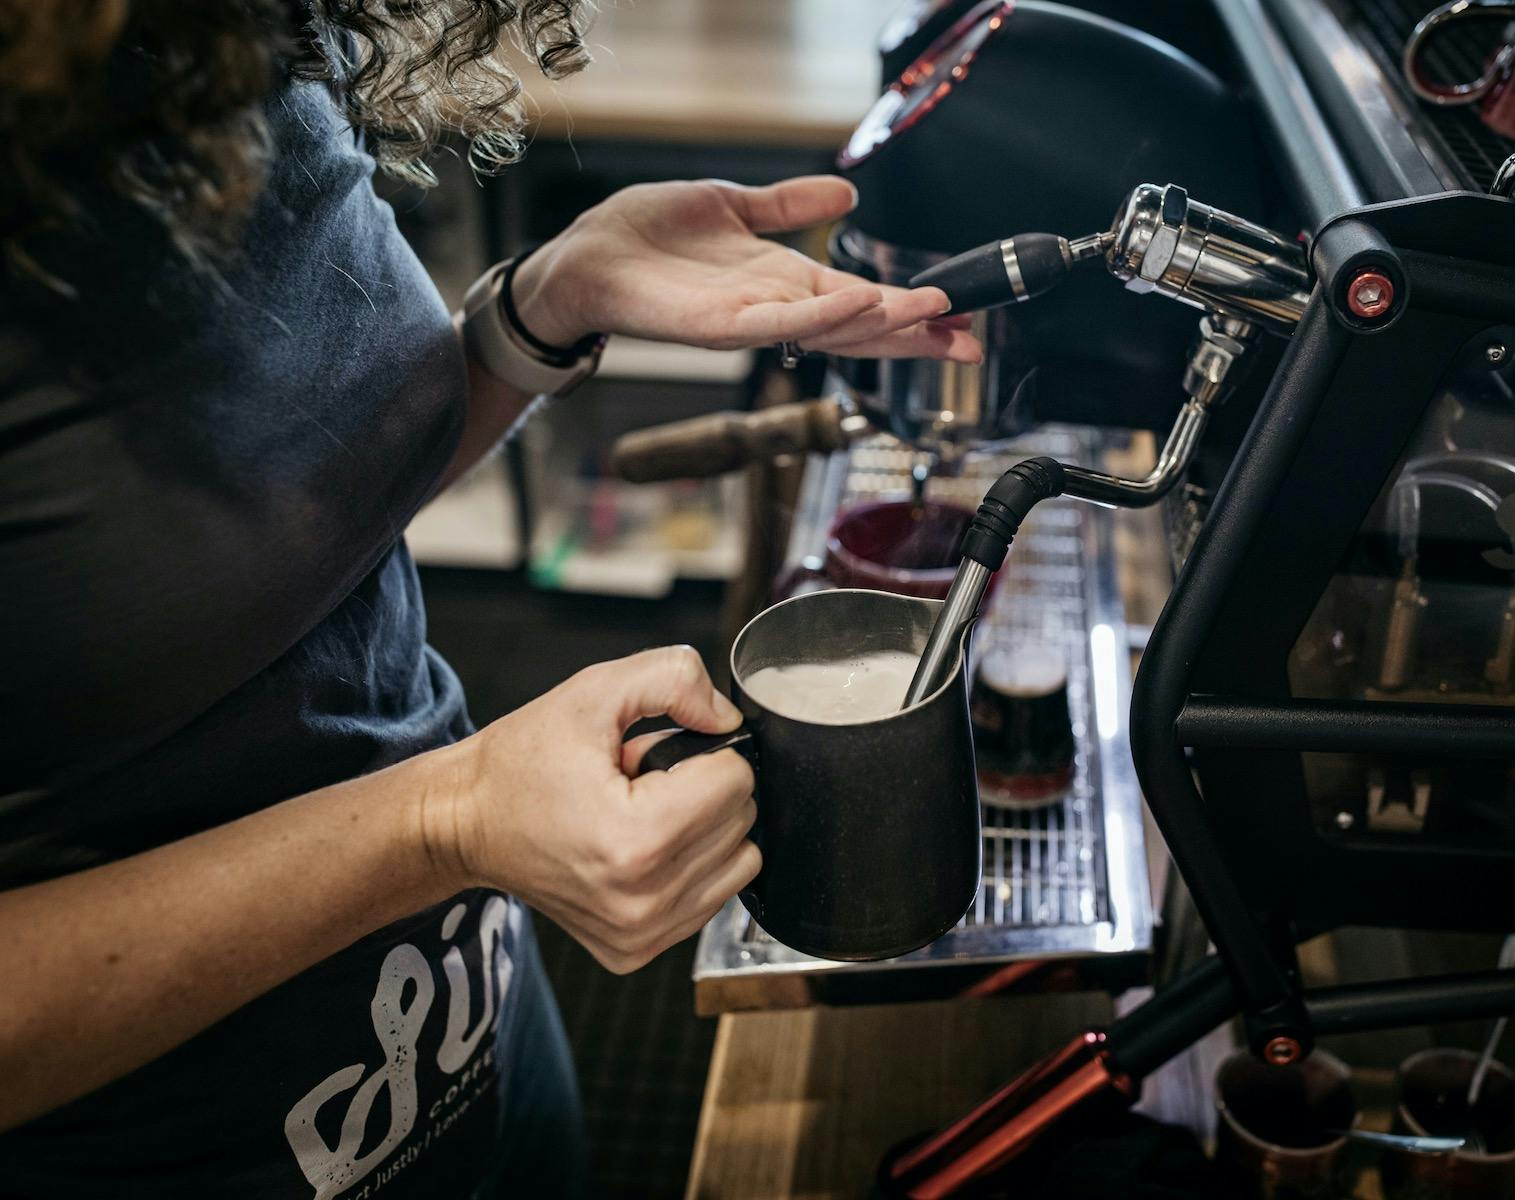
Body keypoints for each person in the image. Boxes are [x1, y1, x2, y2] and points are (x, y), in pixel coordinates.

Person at [0, 2, 980, 1195]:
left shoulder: (220, 46)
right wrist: (444, 821)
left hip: (467, 1025)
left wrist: (541, 311)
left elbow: (279, 510)